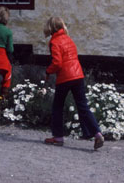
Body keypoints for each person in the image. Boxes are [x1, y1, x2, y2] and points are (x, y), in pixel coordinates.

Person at [42, 16, 104, 150]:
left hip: (65, 77)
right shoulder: (69, 39)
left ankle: (58, 137)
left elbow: (57, 63)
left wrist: (48, 71)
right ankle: (97, 133)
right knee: (83, 106)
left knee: (57, 107)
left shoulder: (54, 42)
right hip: (78, 75)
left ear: (51, 28)